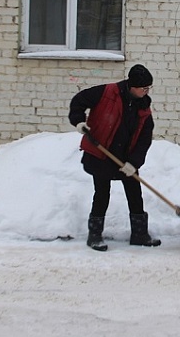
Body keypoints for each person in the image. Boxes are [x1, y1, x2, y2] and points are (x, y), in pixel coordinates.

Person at [69, 64, 161, 252]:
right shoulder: (106, 92)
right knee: (102, 194)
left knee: (135, 193)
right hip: (102, 153)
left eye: (148, 88)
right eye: (144, 88)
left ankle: (139, 234)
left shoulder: (144, 107)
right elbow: (79, 100)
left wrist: (133, 163)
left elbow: (144, 140)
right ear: (132, 85)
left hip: (125, 158)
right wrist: (79, 121)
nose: (146, 91)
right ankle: (94, 235)